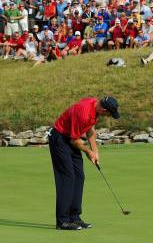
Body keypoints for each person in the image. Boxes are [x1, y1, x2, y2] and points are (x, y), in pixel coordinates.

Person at [48, 96, 120, 230]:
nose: (108, 116)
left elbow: (90, 130)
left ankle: (74, 217)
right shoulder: (84, 113)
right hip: (59, 138)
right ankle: (62, 220)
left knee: (79, 176)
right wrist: (88, 152)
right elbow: (74, 141)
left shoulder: (94, 104)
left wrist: (95, 151)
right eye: (109, 113)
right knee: (67, 177)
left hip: (69, 138)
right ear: (104, 109)